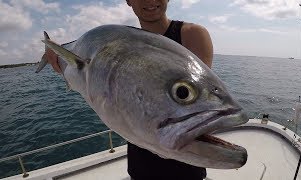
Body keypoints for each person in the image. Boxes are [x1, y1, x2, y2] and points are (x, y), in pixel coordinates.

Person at [45, 0, 213, 179]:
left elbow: (199, 108)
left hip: (186, 170)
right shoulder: (119, 40)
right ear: (128, 1)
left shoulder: (192, 34)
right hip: (139, 167)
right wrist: (56, 57)